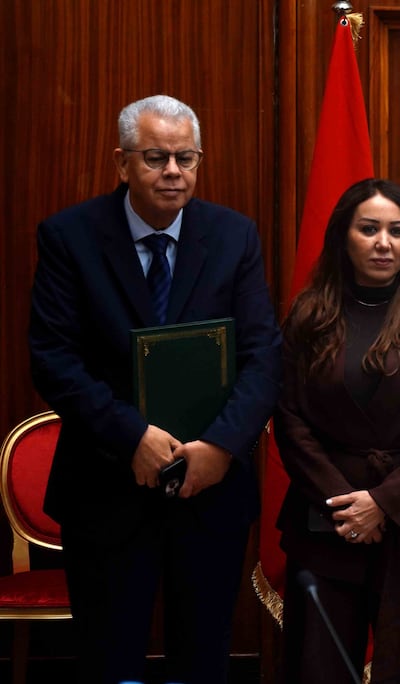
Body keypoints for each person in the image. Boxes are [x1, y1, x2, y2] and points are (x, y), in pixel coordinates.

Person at [27, 95, 282, 683]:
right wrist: (132, 436)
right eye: (155, 157)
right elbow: (52, 359)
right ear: (122, 163)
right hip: (106, 487)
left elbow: (263, 355)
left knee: (203, 660)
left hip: (210, 489)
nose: (173, 172)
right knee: (109, 661)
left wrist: (221, 447)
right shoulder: (70, 236)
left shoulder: (233, 235)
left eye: (185, 158)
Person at [273, 178, 400, 683]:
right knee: (318, 666)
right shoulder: (309, 311)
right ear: (344, 235)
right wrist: (346, 504)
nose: (384, 242)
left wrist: (383, 503)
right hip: (327, 518)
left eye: (397, 231)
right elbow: (289, 417)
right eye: (369, 229)